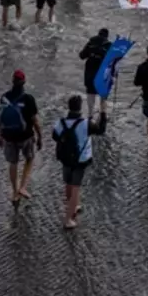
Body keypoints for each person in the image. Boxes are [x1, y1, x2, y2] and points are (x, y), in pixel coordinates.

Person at [52, 95, 108, 230]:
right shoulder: (86, 123)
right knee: (76, 187)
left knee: (68, 184)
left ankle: (73, 206)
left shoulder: (61, 122)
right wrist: (103, 113)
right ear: (80, 108)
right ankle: (68, 219)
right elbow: (100, 130)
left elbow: (55, 137)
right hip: (80, 159)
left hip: (65, 159)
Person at [0, 70, 42, 207]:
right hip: (25, 136)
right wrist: (40, 136)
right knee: (29, 159)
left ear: (12, 81)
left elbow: (1, 119)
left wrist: (0, 136)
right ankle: (22, 187)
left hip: (9, 136)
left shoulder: (4, 97)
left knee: (13, 163)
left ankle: (15, 192)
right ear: (24, 82)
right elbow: (35, 121)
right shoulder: (28, 99)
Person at [79, 28, 110, 117]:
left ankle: (90, 116)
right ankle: (103, 115)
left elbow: (81, 56)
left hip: (90, 73)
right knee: (103, 96)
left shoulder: (91, 42)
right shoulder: (108, 45)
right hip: (102, 75)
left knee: (90, 94)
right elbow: (112, 62)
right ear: (106, 36)